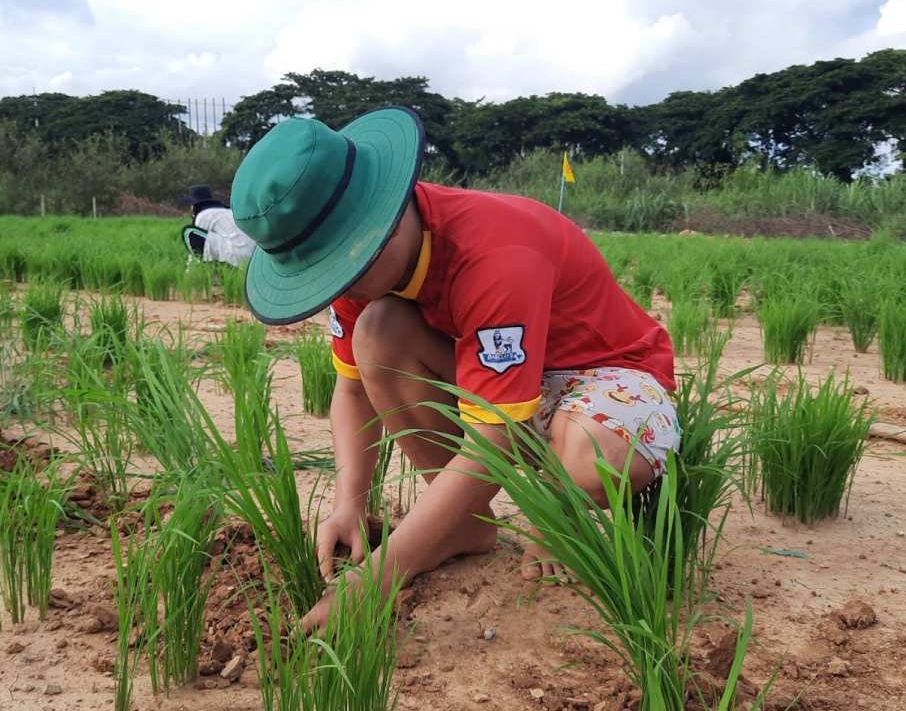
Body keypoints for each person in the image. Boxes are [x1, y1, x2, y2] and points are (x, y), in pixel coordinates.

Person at [231, 107, 679, 630]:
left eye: (343, 266)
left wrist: (376, 578)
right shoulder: (362, 274)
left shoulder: (496, 255)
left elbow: (495, 437)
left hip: (603, 375)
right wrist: (348, 503)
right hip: (504, 382)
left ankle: (561, 509)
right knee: (377, 331)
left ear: (387, 215)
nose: (339, 286)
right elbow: (352, 391)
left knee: (586, 461)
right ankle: (463, 526)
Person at [179, 184, 257, 266]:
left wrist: (189, 269)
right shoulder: (229, 212)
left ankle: (213, 269)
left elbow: (194, 247)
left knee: (190, 232)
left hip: (236, 259)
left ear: (194, 206)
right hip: (253, 260)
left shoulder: (203, 215)